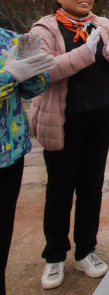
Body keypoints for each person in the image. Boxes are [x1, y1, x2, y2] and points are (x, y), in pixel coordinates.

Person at [29, 0, 109, 289]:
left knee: (91, 186)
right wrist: (86, 52)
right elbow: (44, 71)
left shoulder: (102, 24)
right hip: (64, 116)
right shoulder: (43, 29)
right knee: (60, 189)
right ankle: (55, 256)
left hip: (100, 111)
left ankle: (86, 250)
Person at [0, 30, 54, 295]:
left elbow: (32, 89)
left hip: (9, 153)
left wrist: (34, 72)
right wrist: (9, 75)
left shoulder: (8, 38)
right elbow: (11, 79)